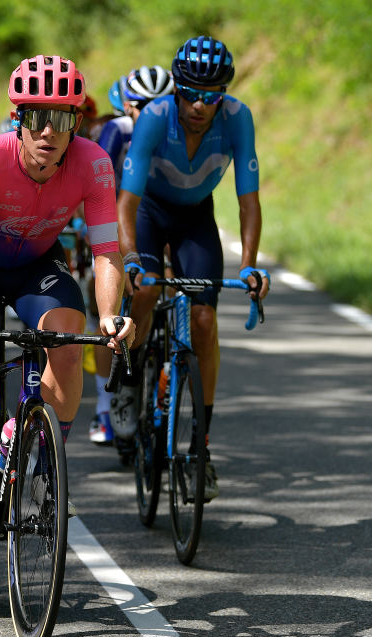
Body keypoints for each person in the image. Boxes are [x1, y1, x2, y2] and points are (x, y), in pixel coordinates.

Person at [0, 55, 135, 554]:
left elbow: (107, 251)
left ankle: (42, 466)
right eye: (37, 118)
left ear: (76, 124)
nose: (49, 131)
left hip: (38, 266)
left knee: (68, 339)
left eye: (61, 119)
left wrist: (110, 315)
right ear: (18, 119)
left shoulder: (94, 164)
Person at [113, 36, 270, 501]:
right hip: (148, 211)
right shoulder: (156, 119)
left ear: (224, 93)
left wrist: (250, 266)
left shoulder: (238, 119)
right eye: (190, 93)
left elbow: (249, 202)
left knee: (203, 320)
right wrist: (131, 261)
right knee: (143, 292)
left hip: (196, 217)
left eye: (212, 95)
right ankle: (128, 371)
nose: (200, 104)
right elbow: (126, 204)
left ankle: (200, 446)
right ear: (175, 88)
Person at [84, 65, 176, 447]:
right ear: (127, 107)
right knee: (111, 295)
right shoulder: (117, 131)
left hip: (161, 217)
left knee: (170, 285)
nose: (151, 113)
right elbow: (92, 185)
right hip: (117, 215)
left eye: (161, 105)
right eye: (142, 106)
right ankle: (116, 390)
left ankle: (169, 363)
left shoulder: (179, 132)